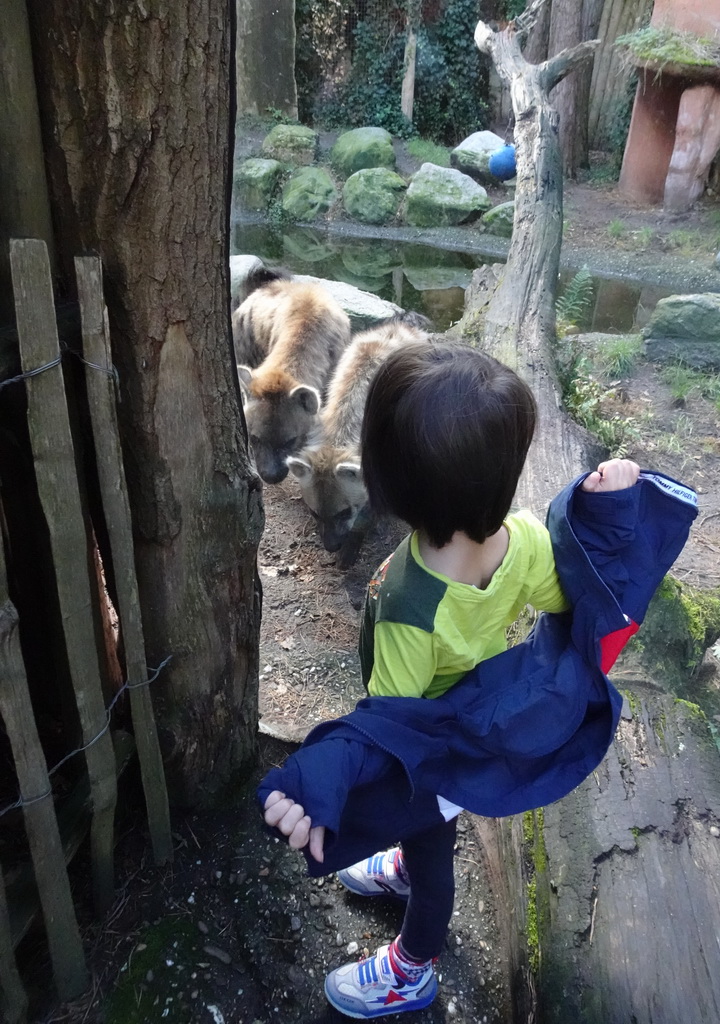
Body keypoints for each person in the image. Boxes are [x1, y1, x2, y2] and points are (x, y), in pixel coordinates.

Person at [261, 340, 643, 1019]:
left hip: (434, 759)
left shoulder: (415, 602)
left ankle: (414, 966)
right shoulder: (523, 539)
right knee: (429, 844)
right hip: (476, 722)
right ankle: (406, 869)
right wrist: (607, 513)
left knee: (434, 859)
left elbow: (392, 731)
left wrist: (329, 770)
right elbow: (570, 598)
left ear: (391, 480)